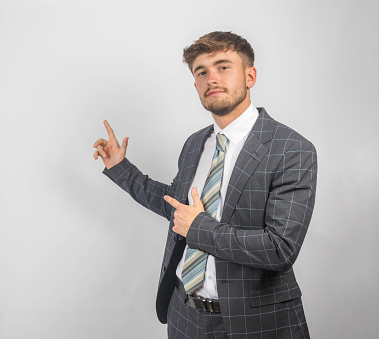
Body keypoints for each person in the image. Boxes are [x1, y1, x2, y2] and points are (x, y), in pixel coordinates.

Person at [93, 31, 317, 338]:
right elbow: (175, 206)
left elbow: (280, 248)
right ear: (196, 85)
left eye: (223, 67)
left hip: (255, 323)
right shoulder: (196, 143)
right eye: (202, 72)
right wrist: (121, 168)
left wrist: (198, 228)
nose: (211, 78)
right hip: (184, 314)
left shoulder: (291, 149)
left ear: (250, 76)